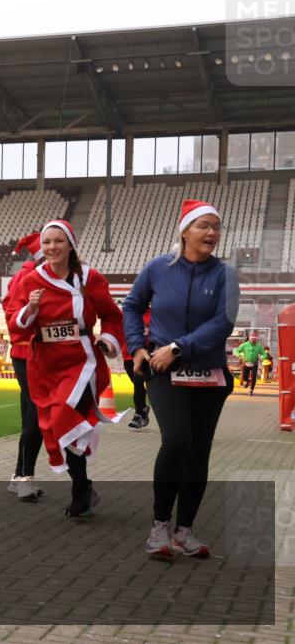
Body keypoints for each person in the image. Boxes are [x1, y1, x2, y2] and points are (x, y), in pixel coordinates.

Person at [123, 199, 238, 558]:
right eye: (203, 225)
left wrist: (179, 346)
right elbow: (132, 306)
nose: (211, 233)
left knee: (199, 451)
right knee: (177, 442)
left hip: (209, 371)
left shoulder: (225, 274)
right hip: (164, 371)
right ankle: (160, 526)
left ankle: (185, 531)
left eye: (216, 227)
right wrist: (138, 348)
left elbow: (224, 322)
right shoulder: (157, 268)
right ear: (185, 231)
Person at [8, 219, 124, 517]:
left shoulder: (90, 277)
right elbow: (15, 326)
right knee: (57, 425)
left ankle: (79, 488)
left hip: (81, 362)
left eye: (58, 241)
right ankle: (83, 485)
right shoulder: (31, 280)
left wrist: (109, 341)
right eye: (47, 242)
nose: (51, 247)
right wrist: (30, 310)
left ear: (71, 245)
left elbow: (112, 315)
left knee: (64, 417)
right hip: (46, 364)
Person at [2, 232, 46, 501]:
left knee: (32, 416)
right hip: (27, 352)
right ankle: (22, 476)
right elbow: (12, 314)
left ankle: (19, 476)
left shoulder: (46, 274)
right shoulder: (28, 277)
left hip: (38, 352)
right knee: (36, 415)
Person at [125, 309, 152, 429]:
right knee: (138, 384)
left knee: (137, 382)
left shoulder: (154, 313)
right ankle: (144, 409)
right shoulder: (128, 313)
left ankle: (138, 415)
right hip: (127, 355)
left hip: (145, 354)